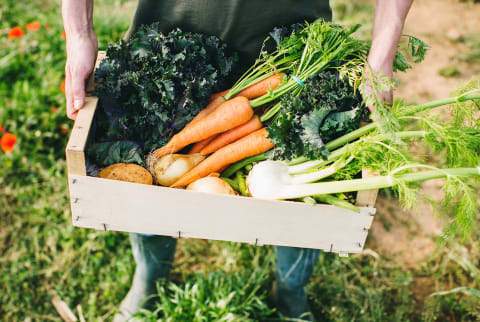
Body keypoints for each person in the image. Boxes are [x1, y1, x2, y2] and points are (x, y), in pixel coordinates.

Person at [61, 0, 413, 320]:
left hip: (292, 59)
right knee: (147, 175)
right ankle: (151, 275)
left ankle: (291, 291)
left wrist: (381, 57)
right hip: (169, 47)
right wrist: (78, 34)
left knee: (305, 195)